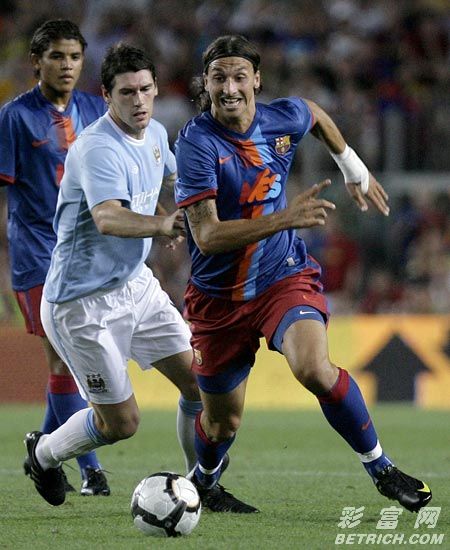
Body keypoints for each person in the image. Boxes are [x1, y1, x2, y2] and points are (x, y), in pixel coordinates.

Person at [174, 35, 432, 513]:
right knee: (222, 424)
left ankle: (381, 468)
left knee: (313, 367)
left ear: (256, 80)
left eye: (238, 76)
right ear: (205, 84)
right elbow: (206, 236)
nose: (229, 88)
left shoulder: (282, 117)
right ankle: (205, 482)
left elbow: (314, 114)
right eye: (218, 78)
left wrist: (353, 167)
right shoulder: (196, 144)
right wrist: (284, 219)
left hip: (282, 276)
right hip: (217, 296)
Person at [23, 43, 248, 514]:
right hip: (81, 305)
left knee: (203, 386)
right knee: (121, 424)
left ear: (156, 89)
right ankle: (43, 455)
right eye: (127, 92)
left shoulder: (157, 134)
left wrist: (182, 207)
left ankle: (199, 484)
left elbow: (171, 180)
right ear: (107, 96)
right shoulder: (97, 148)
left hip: (135, 286)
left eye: (145, 89)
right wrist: (161, 225)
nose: (139, 100)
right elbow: (107, 217)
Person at [0, 19, 110, 496]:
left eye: (74, 57)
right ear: (36, 61)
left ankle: (41, 448)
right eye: (57, 56)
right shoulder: (14, 117)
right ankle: (91, 469)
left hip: (88, 258)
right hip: (37, 257)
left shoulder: (97, 110)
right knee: (65, 360)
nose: (67, 65)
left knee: (72, 363)